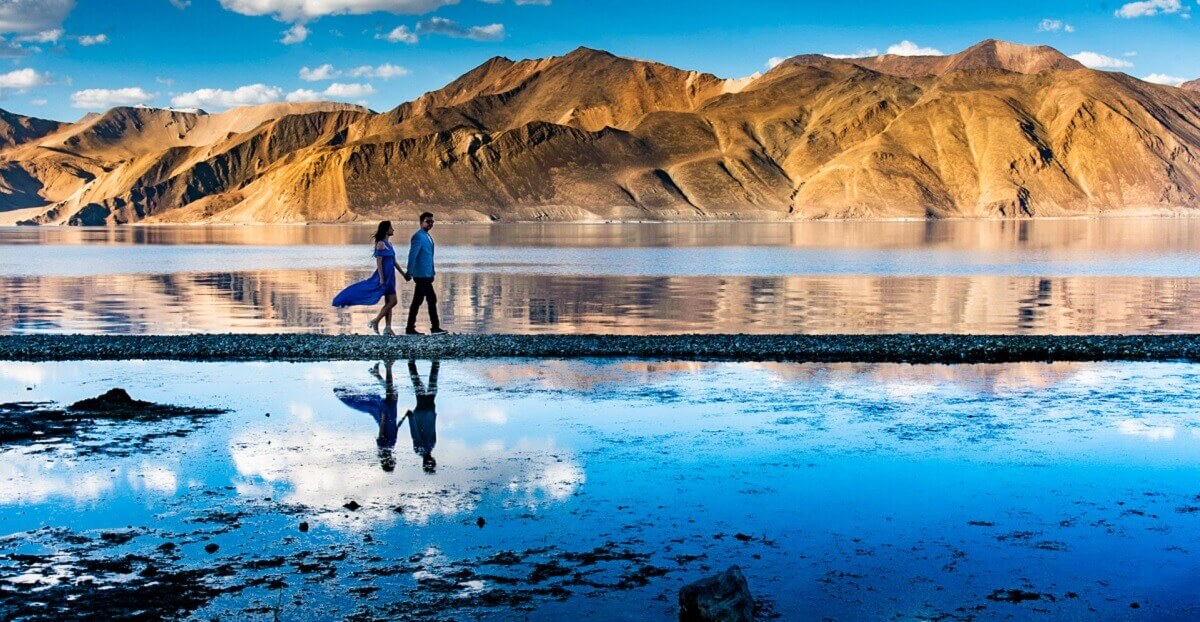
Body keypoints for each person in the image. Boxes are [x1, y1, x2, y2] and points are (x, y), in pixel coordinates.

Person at [332, 221, 408, 335]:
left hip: (391, 276)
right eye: (391, 228)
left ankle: (388, 327)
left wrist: (403, 274)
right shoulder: (381, 244)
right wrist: (382, 278)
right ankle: (376, 321)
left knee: (389, 302)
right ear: (386, 230)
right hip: (383, 276)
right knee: (393, 301)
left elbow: (394, 262)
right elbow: (379, 261)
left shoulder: (390, 245)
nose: (393, 230)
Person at [334, 360, 400, 472]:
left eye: (391, 463)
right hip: (392, 418)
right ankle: (379, 373)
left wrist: (383, 418)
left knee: (391, 395)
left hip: (386, 418)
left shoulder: (383, 448)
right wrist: (403, 418)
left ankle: (387, 367)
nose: (394, 461)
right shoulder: (389, 448)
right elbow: (396, 431)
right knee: (392, 394)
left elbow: (381, 434)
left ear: (388, 461)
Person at [405, 212, 447, 336]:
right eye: (428, 221)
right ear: (421, 222)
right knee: (432, 299)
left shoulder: (427, 236)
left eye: (432, 222)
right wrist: (409, 272)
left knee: (417, 301)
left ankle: (409, 328)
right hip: (420, 275)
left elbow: (429, 257)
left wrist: (432, 272)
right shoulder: (418, 236)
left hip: (427, 274)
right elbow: (412, 255)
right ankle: (435, 328)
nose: (430, 224)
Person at [406, 359, 439, 473]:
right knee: (419, 387)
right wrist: (411, 418)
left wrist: (411, 418)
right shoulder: (422, 449)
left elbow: (416, 433)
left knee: (431, 387)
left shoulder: (427, 447)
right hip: (423, 412)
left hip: (427, 411)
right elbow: (415, 433)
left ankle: (435, 364)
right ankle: (412, 364)